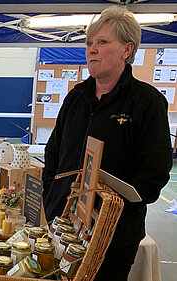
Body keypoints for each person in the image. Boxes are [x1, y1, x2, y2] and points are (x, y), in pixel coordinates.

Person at [42, 6, 172, 281]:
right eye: (89, 43)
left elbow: (153, 178)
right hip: (62, 227)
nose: (91, 49)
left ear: (126, 50)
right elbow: (52, 154)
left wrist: (106, 199)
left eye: (102, 42)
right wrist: (51, 199)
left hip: (112, 237)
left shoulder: (147, 103)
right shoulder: (75, 97)